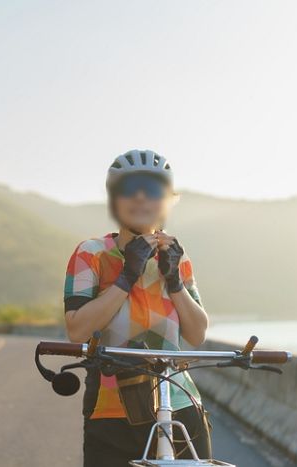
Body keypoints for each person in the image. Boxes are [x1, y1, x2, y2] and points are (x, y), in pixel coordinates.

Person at [63, 149, 212, 466]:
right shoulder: (92, 253)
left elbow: (197, 334)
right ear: (115, 198)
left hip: (179, 404)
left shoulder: (176, 256)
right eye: (130, 188)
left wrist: (174, 281)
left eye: (154, 189)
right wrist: (127, 275)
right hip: (111, 408)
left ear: (168, 200)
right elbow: (77, 329)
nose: (142, 198)